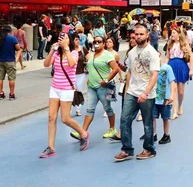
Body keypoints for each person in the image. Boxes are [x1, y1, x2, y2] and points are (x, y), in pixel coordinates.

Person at [114, 24, 160, 162]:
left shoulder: (152, 53)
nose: (138, 36)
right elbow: (128, 69)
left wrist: (145, 93)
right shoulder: (132, 52)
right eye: (136, 34)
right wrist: (121, 66)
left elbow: (154, 75)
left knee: (147, 123)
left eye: (141, 34)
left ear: (147, 35)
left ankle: (149, 149)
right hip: (132, 91)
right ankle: (127, 149)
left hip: (146, 93)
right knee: (124, 119)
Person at [40, 33, 89, 158]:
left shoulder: (73, 52)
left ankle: (83, 134)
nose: (62, 40)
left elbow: (72, 64)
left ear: (69, 40)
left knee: (65, 118)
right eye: (61, 38)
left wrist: (66, 48)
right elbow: (46, 64)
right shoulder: (56, 53)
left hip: (67, 89)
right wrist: (52, 49)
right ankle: (51, 147)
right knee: (51, 117)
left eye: (65, 38)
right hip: (55, 88)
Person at [70, 35, 120, 141]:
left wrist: (106, 80)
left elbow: (115, 69)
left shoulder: (108, 55)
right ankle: (82, 132)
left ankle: (112, 129)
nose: (97, 43)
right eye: (95, 41)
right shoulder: (90, 55)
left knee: (107, 108)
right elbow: (88, 66)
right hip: (92, 87)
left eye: (99, 41)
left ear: (104, 43)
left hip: (103, 87)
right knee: (89, 109)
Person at [165, 27, 193, 119]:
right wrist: (163, 67)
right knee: (174, 90)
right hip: (171, 66)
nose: (171, 34)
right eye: (171, 33)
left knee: (180, 91)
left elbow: (191, 57)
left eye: (173, 33)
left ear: (178, 35)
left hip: (181, 66)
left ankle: (180, 106)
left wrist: (191, 70)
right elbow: (167, 57)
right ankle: (174, 112)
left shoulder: (184, 44)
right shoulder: (169, 45)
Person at [151, 52, 177, 144]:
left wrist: (172, 95)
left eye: (158, 57)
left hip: (164, 98)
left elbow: (172, 83)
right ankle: (153, 134)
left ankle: (166, 135)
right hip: (153, 97)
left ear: (160, 57)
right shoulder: (151, 69)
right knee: (152, 117)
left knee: (165, 117)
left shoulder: (166, 68)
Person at [0, 25, 20, 100]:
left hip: (0, 60)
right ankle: (11, 94)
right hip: (10, 60)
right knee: (11, 78)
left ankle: (0, 93)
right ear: (10, 31)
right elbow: (18, 48)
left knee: (0, 78)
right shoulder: (12, 38)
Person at [72, 38, 88, 117]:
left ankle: (78, 109)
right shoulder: (69, 50)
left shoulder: (82, 49)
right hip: (71, 73)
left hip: (81, 73)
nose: (77, 41)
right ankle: (69, 109)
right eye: (75, 40)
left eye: (78, 39)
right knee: (71, 91)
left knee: (79, 91)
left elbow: (89, 58)